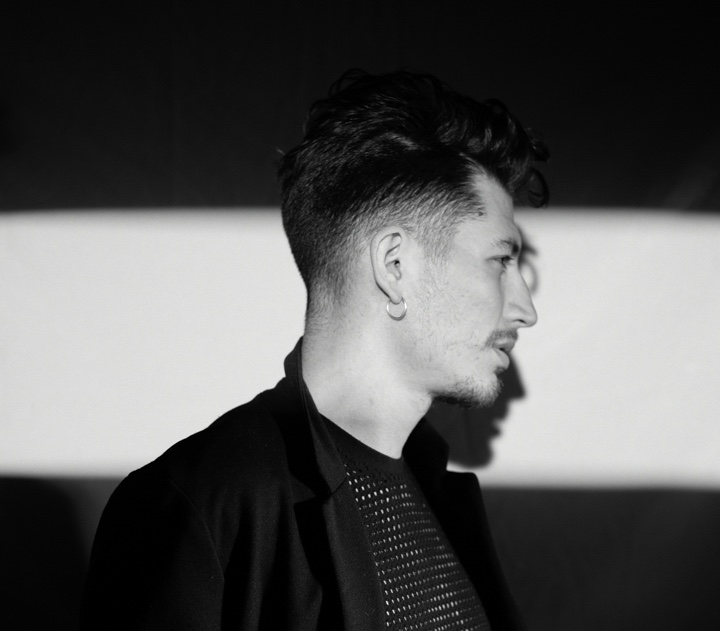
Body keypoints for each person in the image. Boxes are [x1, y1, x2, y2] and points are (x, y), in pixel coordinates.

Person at [80, 69, 548, 631]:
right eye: (501, 260)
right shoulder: (201, 504)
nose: (525, 309)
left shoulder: (443, 500)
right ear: (395, 266)